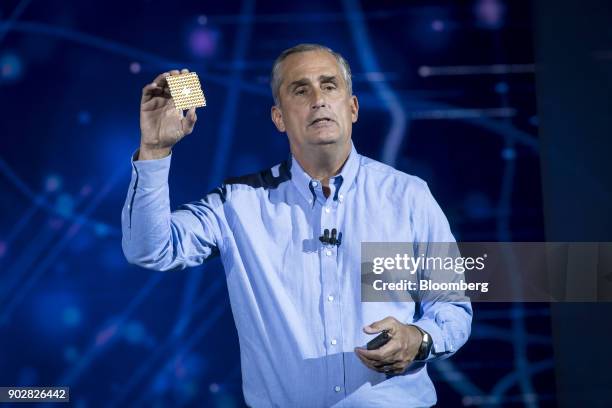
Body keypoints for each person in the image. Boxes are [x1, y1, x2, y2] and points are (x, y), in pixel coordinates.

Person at [122, 43, 472, 407]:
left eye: (330, 85)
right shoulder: (238, 204)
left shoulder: (408, 196)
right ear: (279, 118)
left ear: (352, 108)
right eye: (301, 90)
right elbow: (149, 249)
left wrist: (419, 338)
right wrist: (155, 150)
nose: (318, 100)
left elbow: (452, 308)